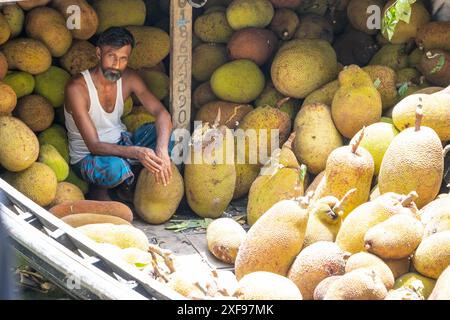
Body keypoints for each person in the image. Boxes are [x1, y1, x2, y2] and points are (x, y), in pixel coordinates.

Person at [64, 27, 174, 201]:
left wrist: (161, 150)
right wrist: (137, 153)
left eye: (123, 59)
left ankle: (127, 184)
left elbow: (162, 113)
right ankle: (106, 188)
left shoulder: (129, 78)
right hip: (90, 157)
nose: (116, 65)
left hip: (122, 143)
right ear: (99, 53)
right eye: (111, 56)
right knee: (116, 168)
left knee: (170, 136)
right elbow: (94, 145)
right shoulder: (77, 89)